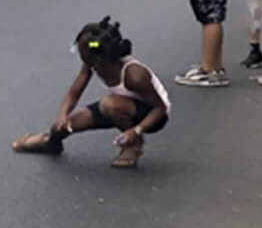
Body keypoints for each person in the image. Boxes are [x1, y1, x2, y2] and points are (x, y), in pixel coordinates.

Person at [11, 16, 171, 168]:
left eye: (79, 50)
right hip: (116, 107)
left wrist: (135, 131)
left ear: (97, 57)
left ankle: (134, 145)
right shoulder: (94, 62)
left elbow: (160, 109)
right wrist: (62, 116)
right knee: (61, 128)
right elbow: (74, 92)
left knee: (109, 104)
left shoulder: (134, 75)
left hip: (151, 115)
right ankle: (50, 143)